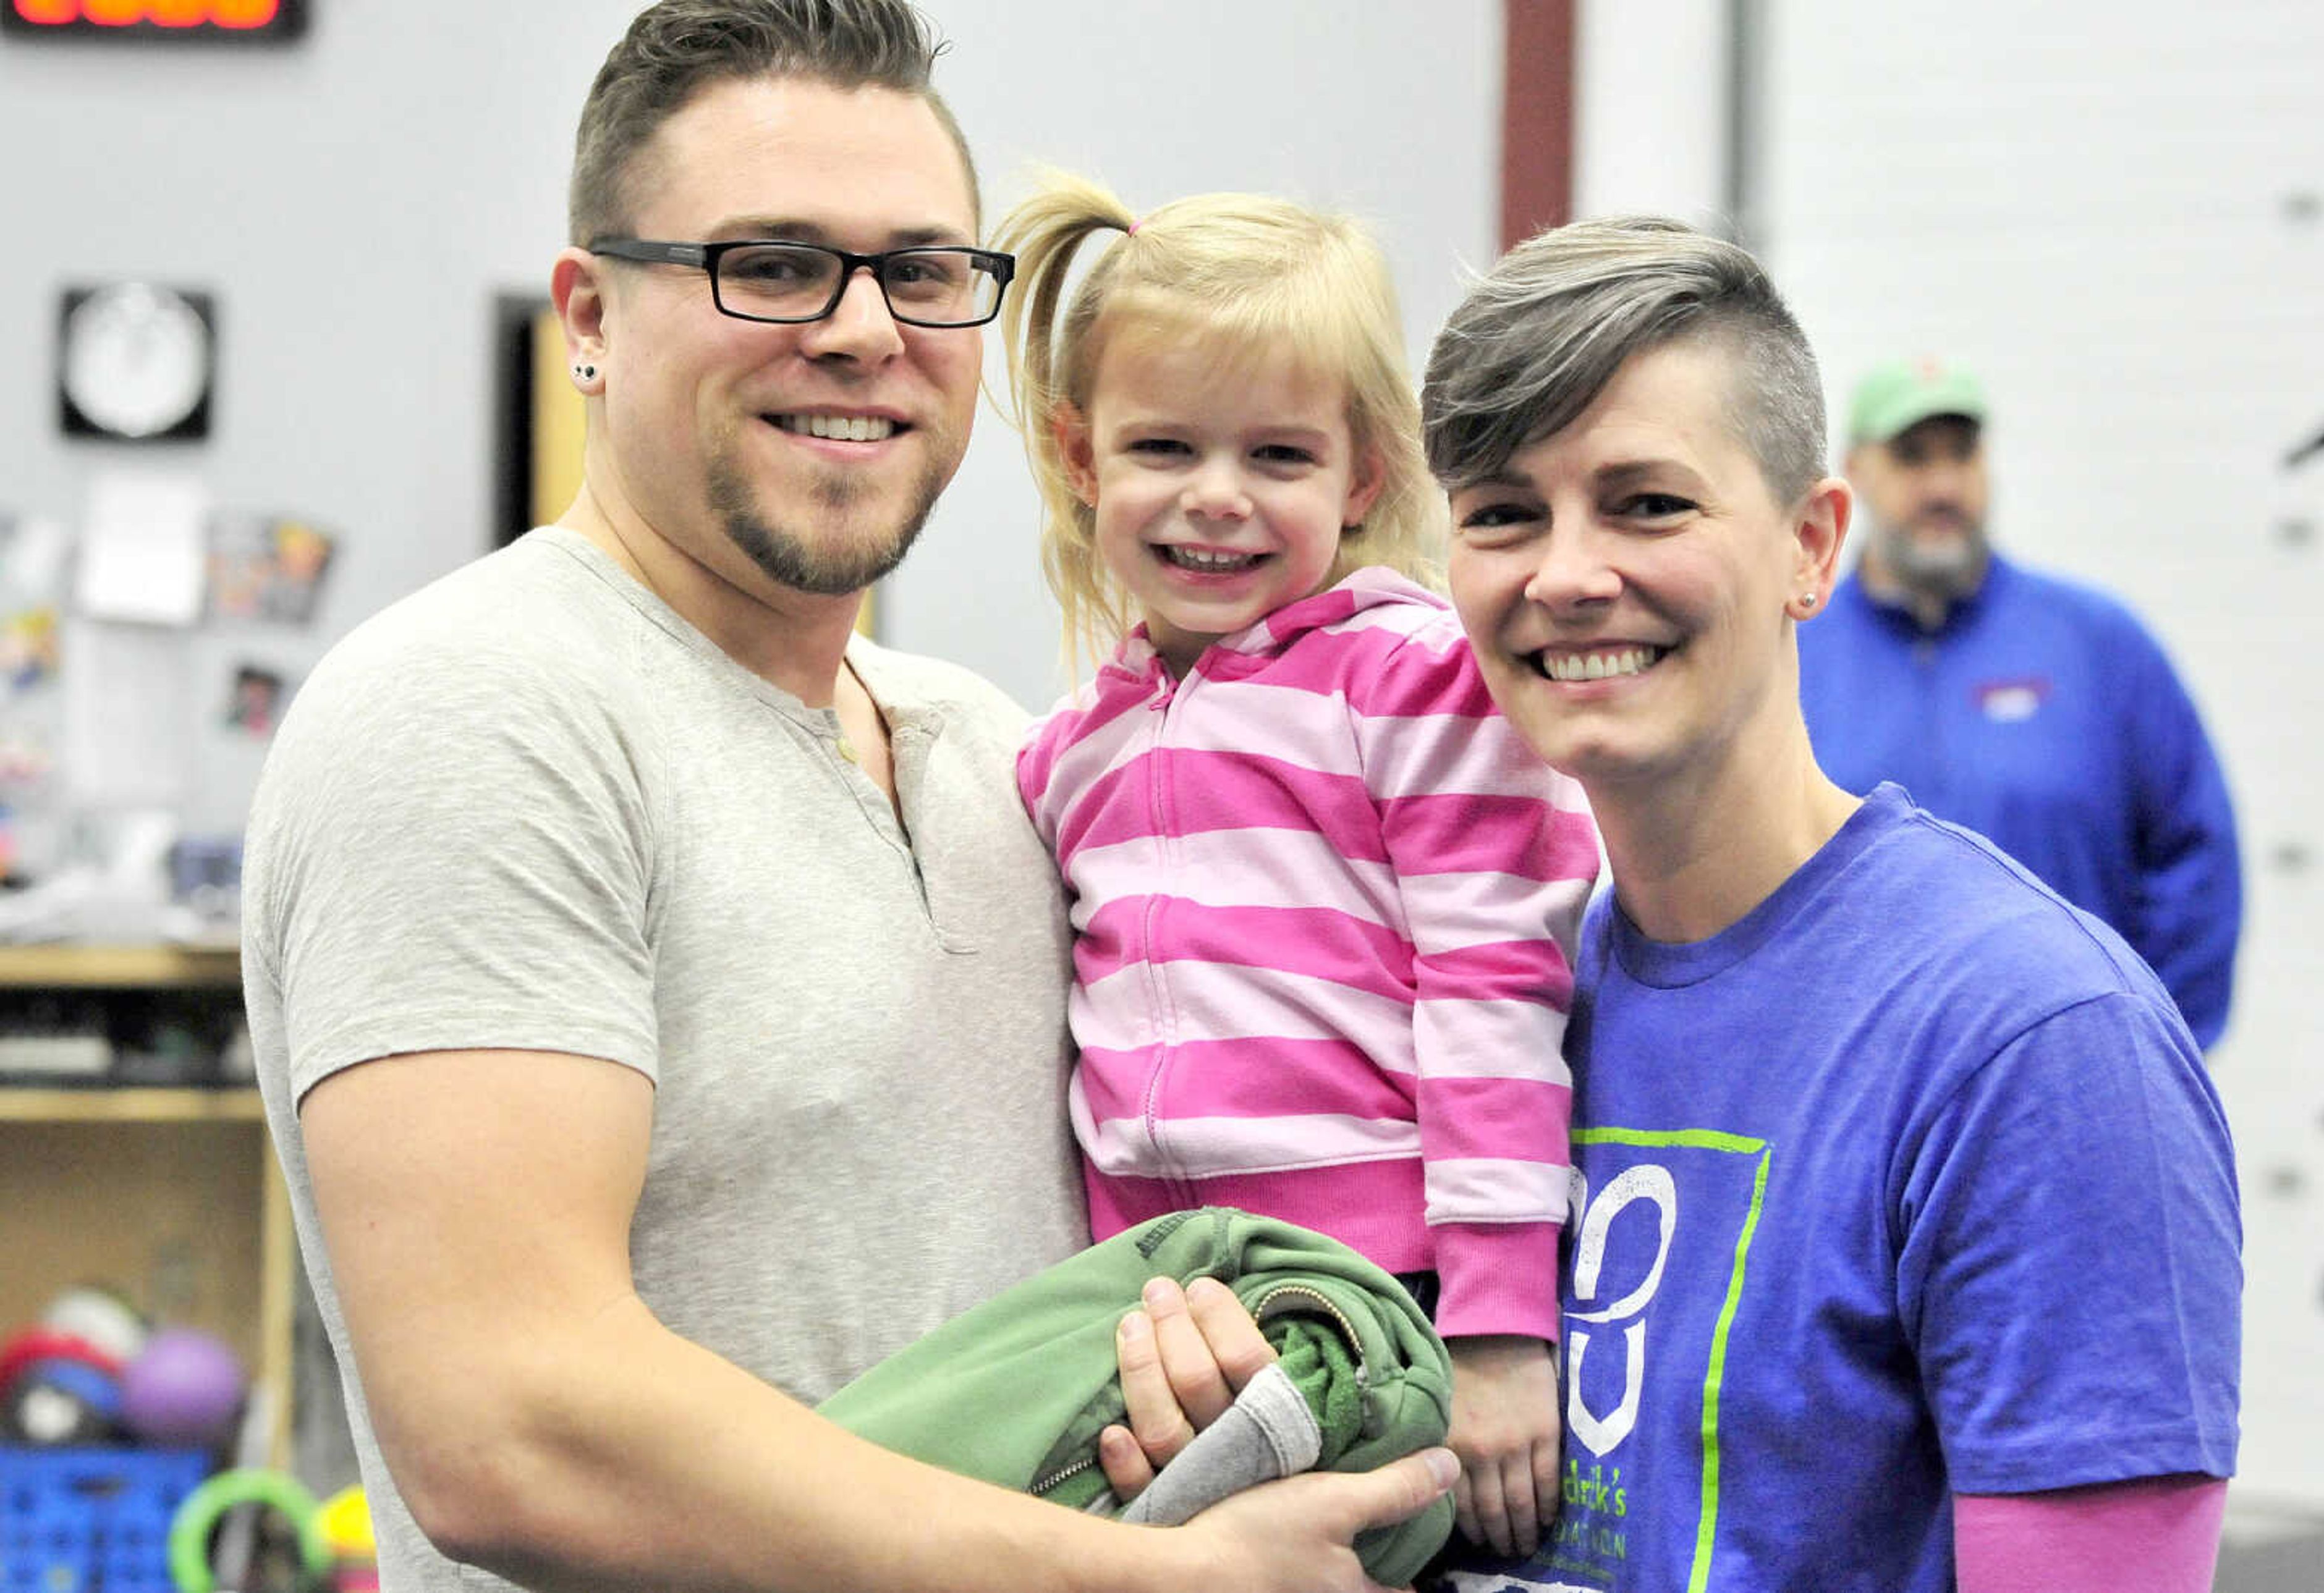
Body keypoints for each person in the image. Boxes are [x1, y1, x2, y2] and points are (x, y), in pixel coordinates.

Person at [237, 4, 1455, 1591]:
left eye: (921, 272)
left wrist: (1201, 1381)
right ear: (588, 315)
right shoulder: (476, 712)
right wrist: (1138, 1583)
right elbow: (506, 1423)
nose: (863, 330)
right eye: (773, 263)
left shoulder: (1000, 754)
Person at [1420, 218, 2242, 1592]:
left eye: (1647, 502)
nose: (1564, 573)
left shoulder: (2037, 1045)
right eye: (1504, 512)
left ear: (1811, 546)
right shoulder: (1491, 1004)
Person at [998, 173, 1601, 1561]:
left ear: (1362, 478)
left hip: (1381, 1280)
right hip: (1149, 1299)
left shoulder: (1411, 680)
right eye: (1165, 447)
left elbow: (1496, 984)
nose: (1217, 499)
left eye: (1277, 457)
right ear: (1081, 456)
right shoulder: (1066, 755)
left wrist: (1503, 1324)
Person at [1797, 357, 2244, 1048]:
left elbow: (2197, 855)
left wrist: (2153, 1045)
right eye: (1913, 457)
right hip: (1853, 1083)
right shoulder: (1792, 653)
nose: (1943, 485)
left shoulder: (2097, 643)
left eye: (1962, 454)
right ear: (1854, 470)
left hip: (2072, 1080)